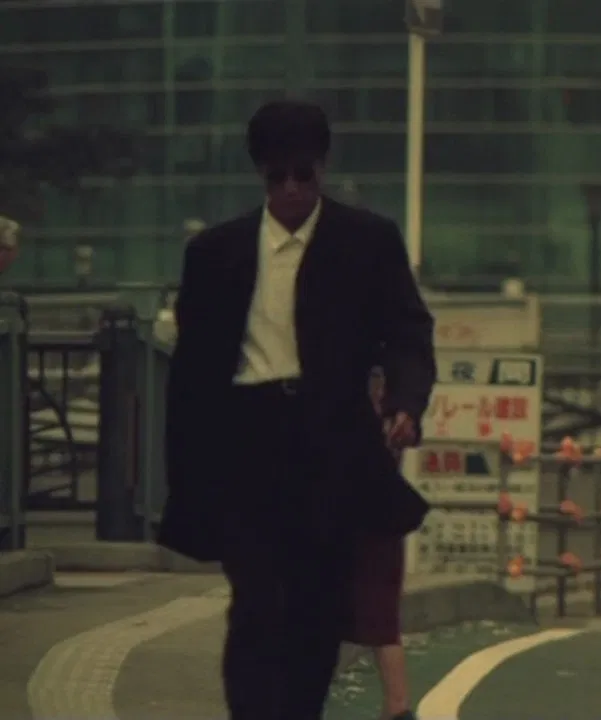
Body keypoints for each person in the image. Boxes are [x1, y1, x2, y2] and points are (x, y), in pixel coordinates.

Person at [158, 100, 436, 720]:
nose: (290, 189)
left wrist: (406, 403)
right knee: (256, 602)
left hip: (330, 442)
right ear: (260, 174)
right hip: (246, 440)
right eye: (276, 176)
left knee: (317, 605)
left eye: (302, 174)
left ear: (322, 169)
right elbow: (192, 371)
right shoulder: (215, 253)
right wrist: (186, 471)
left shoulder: (366, 242)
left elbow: (408, 332)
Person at [347, 367, 414, 720]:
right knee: (383, 621)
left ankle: (397, 706)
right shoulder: (399, 410)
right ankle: (397, 707)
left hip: (360, 522)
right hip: (384, 519)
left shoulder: (354, 413)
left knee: (377, 620)